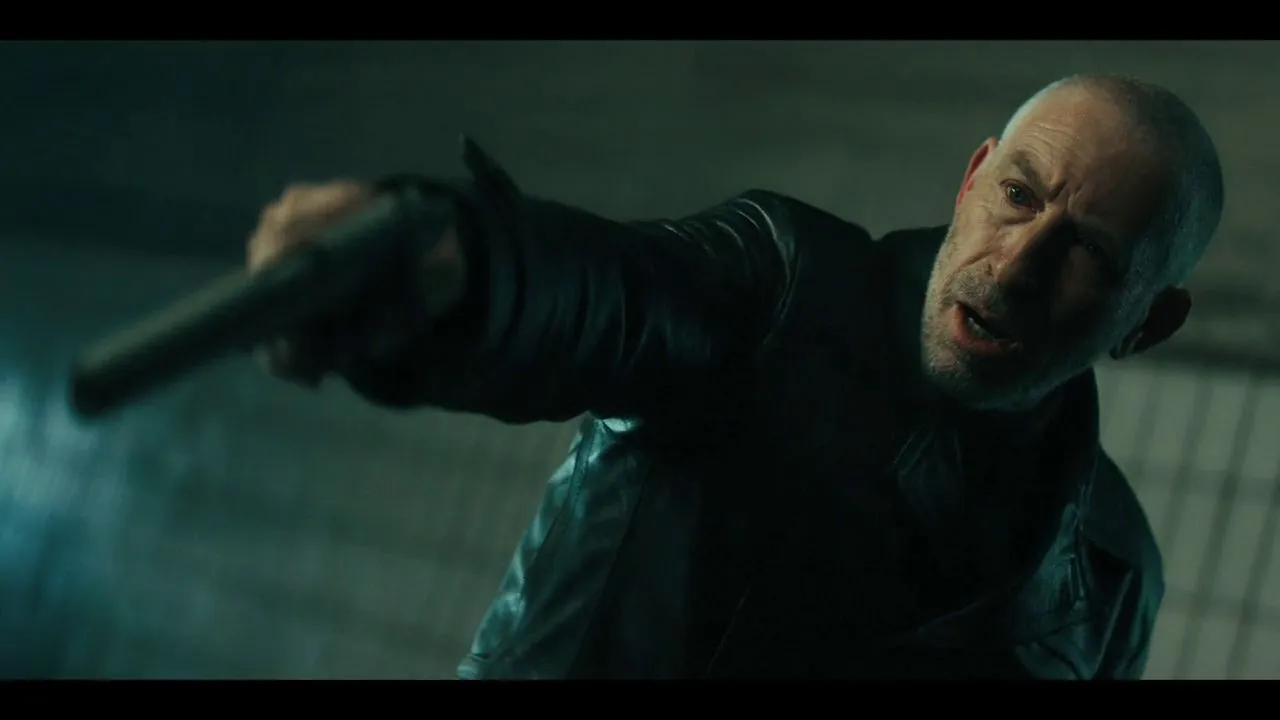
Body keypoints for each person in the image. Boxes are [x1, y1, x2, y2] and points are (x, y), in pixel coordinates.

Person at [246, 74, 1224, 679]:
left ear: (1148, 322)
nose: (1013, 268)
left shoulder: (1111, 574)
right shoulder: (785, 287)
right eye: (1015, 195)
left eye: (1089, 253)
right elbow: (609, 296)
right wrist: (455, 270)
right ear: (972, 180)